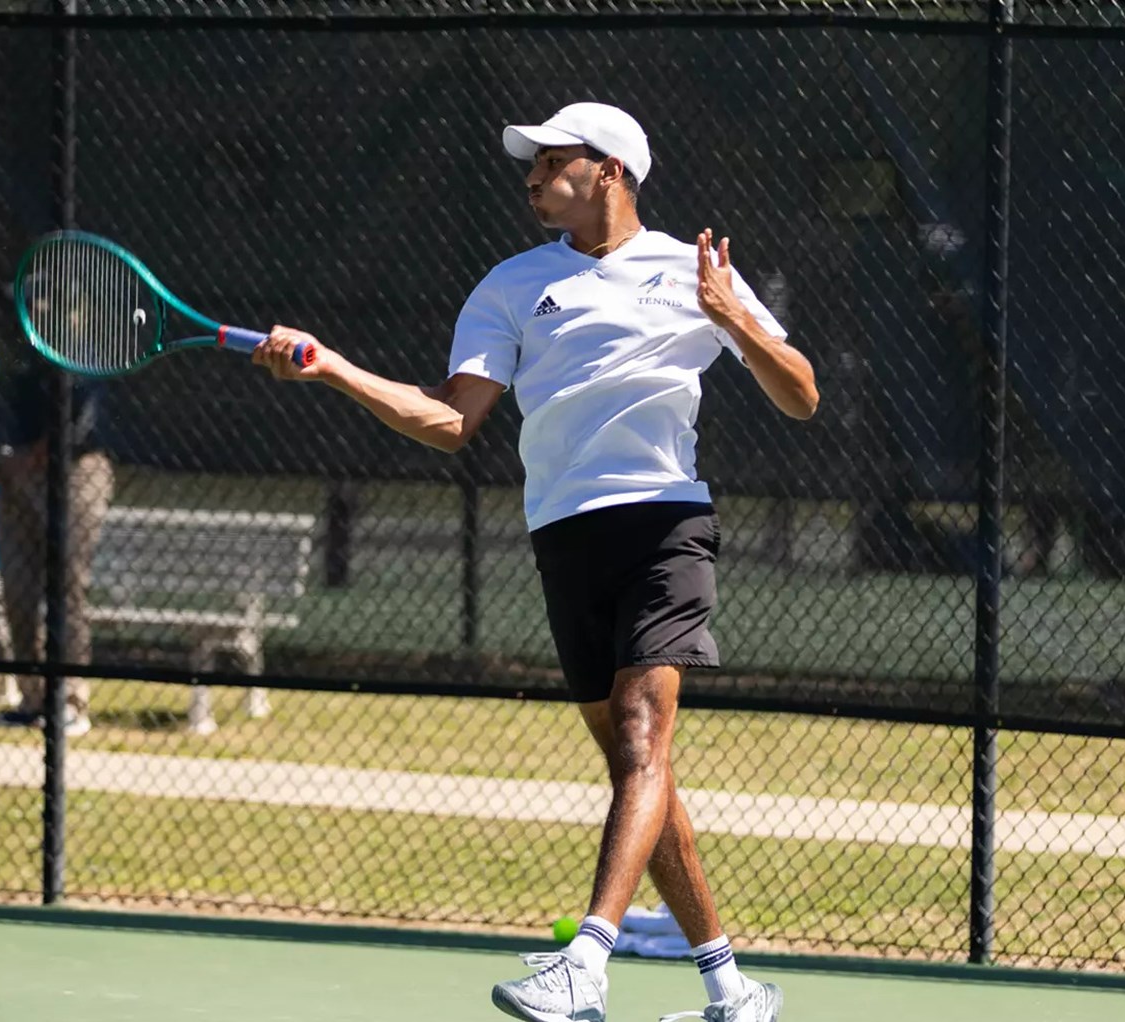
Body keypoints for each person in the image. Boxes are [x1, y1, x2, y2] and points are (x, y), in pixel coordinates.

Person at [251, 102, 817, 1022]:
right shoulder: (512, 286)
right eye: (532, 164)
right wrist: (334, 370)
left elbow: (801, 396)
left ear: (611, 172)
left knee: (640, 738)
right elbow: (450, 422)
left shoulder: (693, 270)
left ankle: (584, 965)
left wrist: (735, 322)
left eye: (552, 161)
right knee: (643, 766)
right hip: (564, 535)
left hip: (666, 523)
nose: (531, 176)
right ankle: (732, 988)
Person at [0, 360, 114, 738]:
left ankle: (71, 701)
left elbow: (78, 418)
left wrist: (35, 455)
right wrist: (3, 456)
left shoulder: (84, 348)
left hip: (76, 470)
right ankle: (32, 699)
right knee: (18, 591)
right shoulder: (11, 345)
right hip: (17, 473)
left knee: (67, 589)